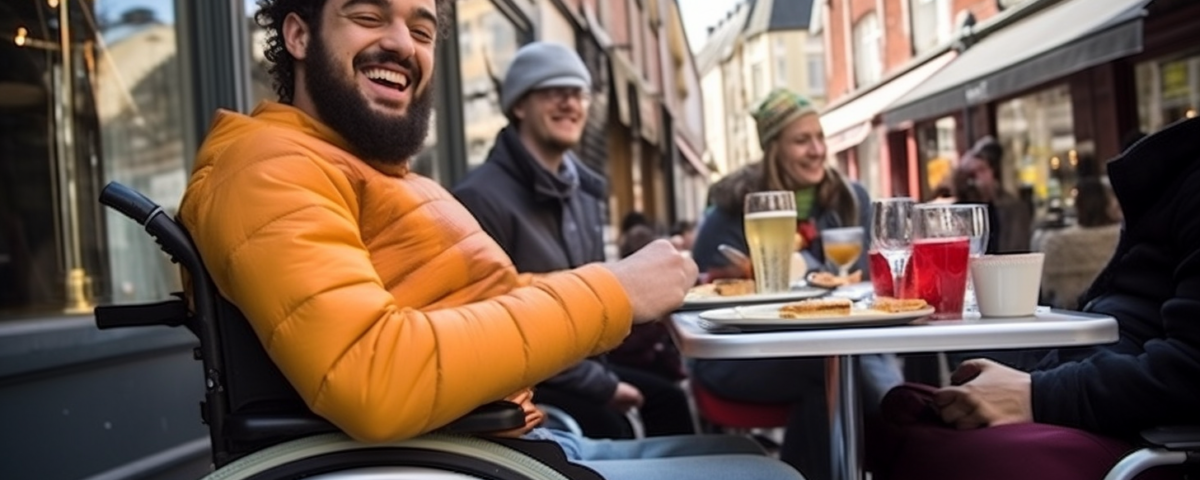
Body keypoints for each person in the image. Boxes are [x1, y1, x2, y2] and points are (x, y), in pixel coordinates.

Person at [176, 1, 804, 479]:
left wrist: (649, 289)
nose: (401, 43)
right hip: (466, 456)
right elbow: (375, 377)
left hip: (505, 436)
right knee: (770, 471)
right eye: (368, 16)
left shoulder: (359, 168)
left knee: (743, 453)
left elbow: (488, 301)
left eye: (421, 30)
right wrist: (611, 293)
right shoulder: (269, 169)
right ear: (298, 35)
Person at [873, 116, 1200, 480]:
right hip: (1099, 382)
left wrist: (1034, 394)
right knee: (900, 409)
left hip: (1139, 432)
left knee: (910, 428)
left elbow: (1190, 369)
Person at [454, 41, 694, 439]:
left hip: (586, 365)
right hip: (530, 385)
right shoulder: (479, 199)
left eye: (577, 93)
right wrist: (603, 386)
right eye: (552, 91)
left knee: (671, 399)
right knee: (617, 425)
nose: (569, 103)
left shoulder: (584, 194)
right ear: (518, 106)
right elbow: (500, 327)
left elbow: (602, 297)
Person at [688, 88, 902, 479]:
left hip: (834, 348)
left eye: (820, 138)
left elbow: (873, 283)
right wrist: (739, 277)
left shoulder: (849, 199)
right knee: (833, 371)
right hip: (742, 354)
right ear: (774, 149)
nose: (817, 150)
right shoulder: (733, 209)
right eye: (802, 140)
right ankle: (905, 423)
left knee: (835, 373)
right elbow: (699, 297)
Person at [1036, 177, 1122, 309]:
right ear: (1108, 205)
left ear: (1078, 205)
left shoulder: (1055, 244)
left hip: (1068, 317)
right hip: (1112, 312)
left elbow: (1047, 290)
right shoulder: (1120, 239)